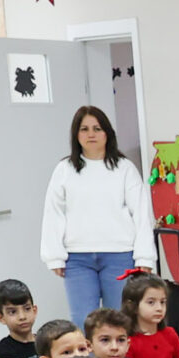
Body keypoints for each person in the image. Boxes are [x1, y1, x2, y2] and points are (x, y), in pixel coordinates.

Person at [40, 104, 153, 321]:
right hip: (77, 259)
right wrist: (54, 256)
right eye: (84, 129)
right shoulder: (64, 170)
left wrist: (144, 256)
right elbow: (53, 213)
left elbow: (141, 214)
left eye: (97, 128)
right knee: (84, 322)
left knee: (120, 321)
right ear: (76, 135)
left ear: (107, 133)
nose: (91, 134)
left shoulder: (124, 168)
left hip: (120, 255)